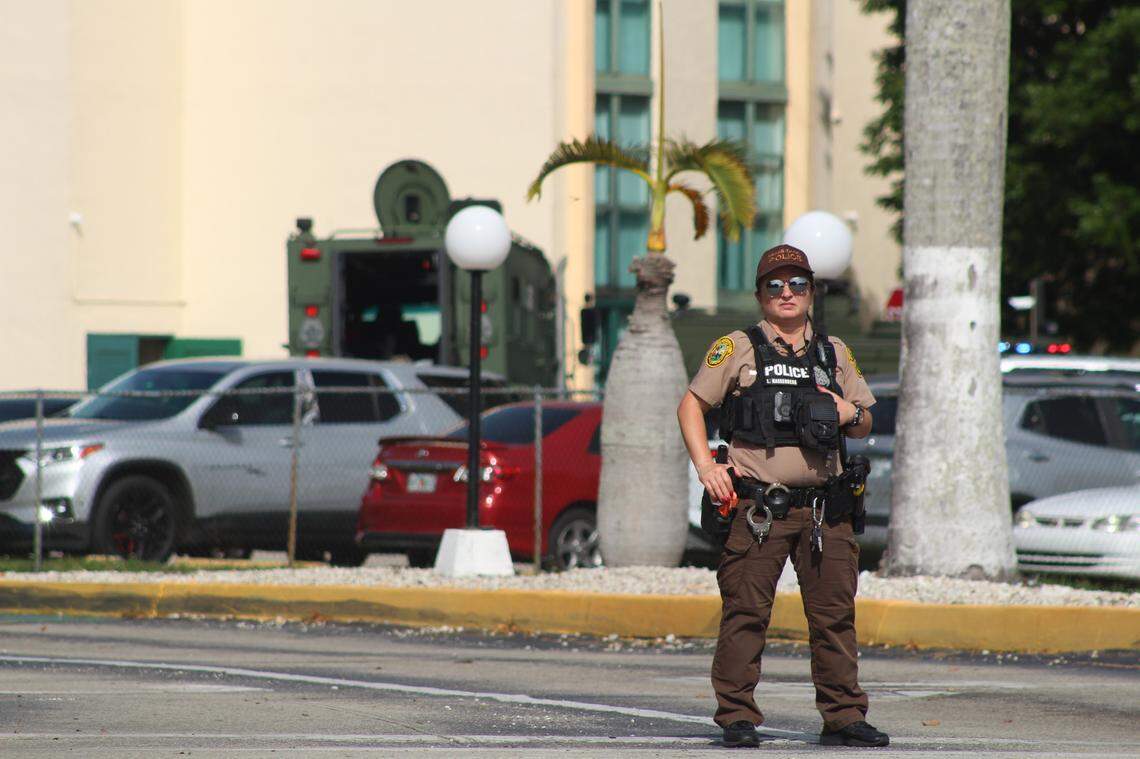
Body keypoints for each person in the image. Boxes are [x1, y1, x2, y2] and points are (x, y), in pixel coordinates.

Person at [676, 244, 890, 749]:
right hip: (759, 508)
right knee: (746, 612)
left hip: (824, 509)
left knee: (834, 615)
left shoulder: (833, 352)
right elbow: (690, 405)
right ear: (760, 295)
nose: (787, 293)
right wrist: (707, 466)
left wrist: (846, 412)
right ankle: (736, 715)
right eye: (775, 285)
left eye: (797, 284)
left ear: (811, 292)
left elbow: (865, 421)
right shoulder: (737, 347)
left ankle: (842, 715)